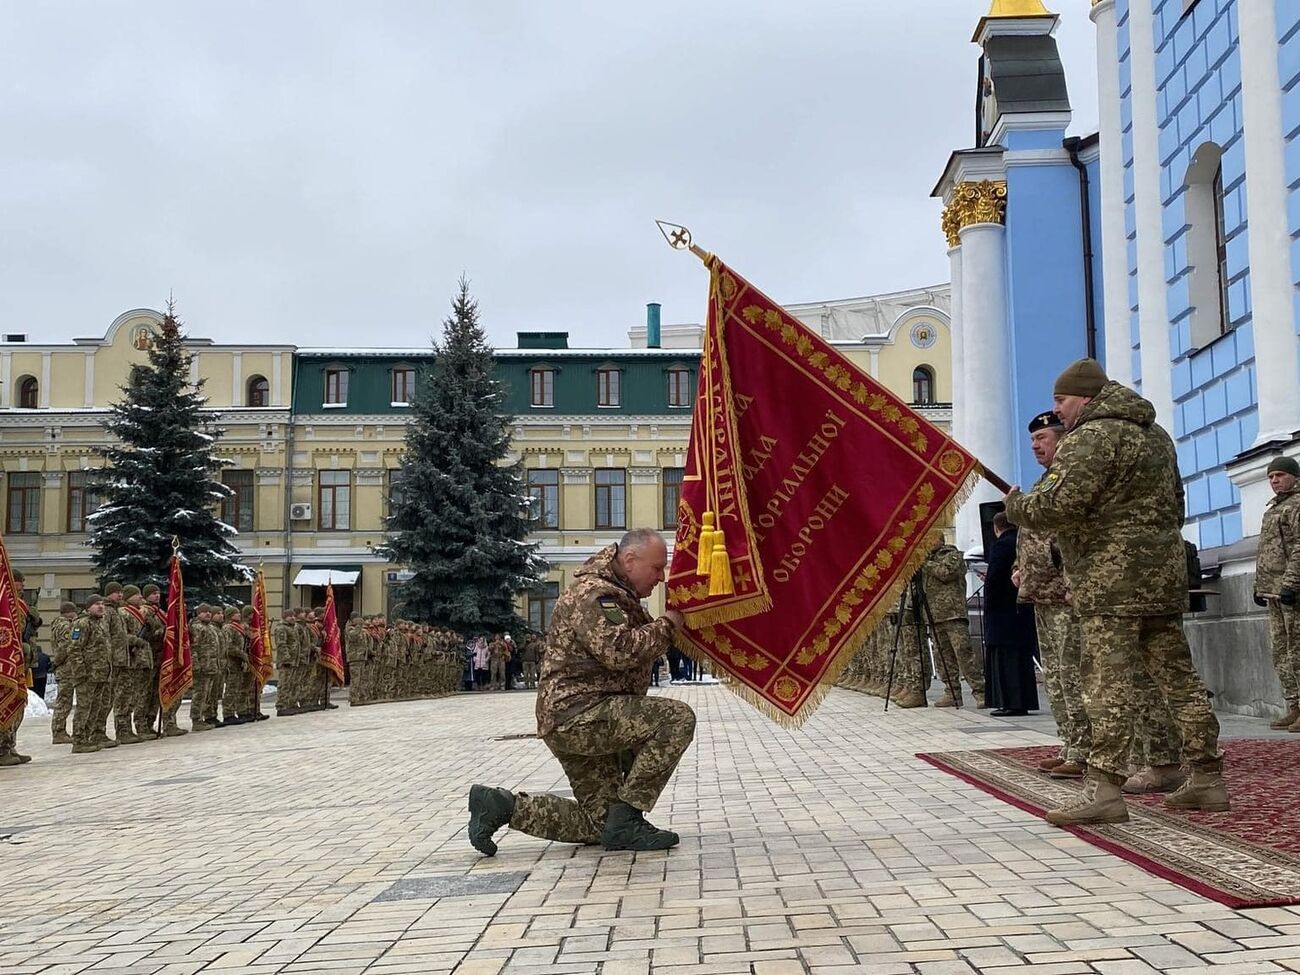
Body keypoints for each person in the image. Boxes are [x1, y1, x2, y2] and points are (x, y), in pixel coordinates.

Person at [1005, 358, 1227, 825]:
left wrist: (1017, 506)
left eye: (1061, 400)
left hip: (1110, 584)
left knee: (1105, 683)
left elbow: (1057, 506)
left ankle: (1104, 789)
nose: (1058, 410)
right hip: (1161, 577)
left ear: (1085, 397)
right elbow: (1177, 505)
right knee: (1178, 679)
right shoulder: (1156, 435)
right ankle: (1207, 776)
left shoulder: (1090, 437)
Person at [467, 528, 693, 854]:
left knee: (602, 824)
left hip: (579, 715)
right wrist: (669, 625)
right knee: (676, 719)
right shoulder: (595, 595)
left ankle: (501, 806)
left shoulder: (616, 593)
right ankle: (628, 819)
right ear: (630, 559)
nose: (661, 577)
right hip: (580, 715)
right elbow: (619, 651)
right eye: (657, 568)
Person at [1014, 411, 1090, 777]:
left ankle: (1085, 750)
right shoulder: (1044, 483)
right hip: (1041, 593)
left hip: (1064, 595)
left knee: (1072, 673)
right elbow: (1032, 535)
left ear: (1062, 439)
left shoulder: (1071, 480)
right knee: (1056, 676)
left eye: (1041, 439)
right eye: (1032, 440)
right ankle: (1070, 743)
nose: (1034, 446)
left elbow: (1071, 538)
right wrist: (1020, 568)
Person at [1255, 455, 1300, 731]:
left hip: (1291, 592)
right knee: (1281, 652)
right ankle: (1294, 705)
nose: (1274, 480)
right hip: (1273, 592)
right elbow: (1266, 550)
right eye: (1271, 476)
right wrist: (1258, 586)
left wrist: (1291, 584)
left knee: (1297, 650)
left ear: (1294, 477)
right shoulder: (1273, 508)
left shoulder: (1296, 505)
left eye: (1280, 475)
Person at [983, 512, 1038, 717]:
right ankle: (1023, 701)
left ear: (996, 528)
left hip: (1002, 613)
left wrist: (989, 604)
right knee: (1021, 659)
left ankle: (1010, 703)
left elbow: (995, 578)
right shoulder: (1022, 541)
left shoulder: (1000, 545)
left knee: (1006, 661)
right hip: (1021, 609)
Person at [49, 601, 80, 745]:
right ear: (71, 613)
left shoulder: (57, 625)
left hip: (65, 668)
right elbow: (65, 646)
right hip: (67, 669)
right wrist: (57, 662)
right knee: (64, 702)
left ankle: (59, 731)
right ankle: (59, 732)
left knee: (64, 700)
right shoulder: (65, 626)